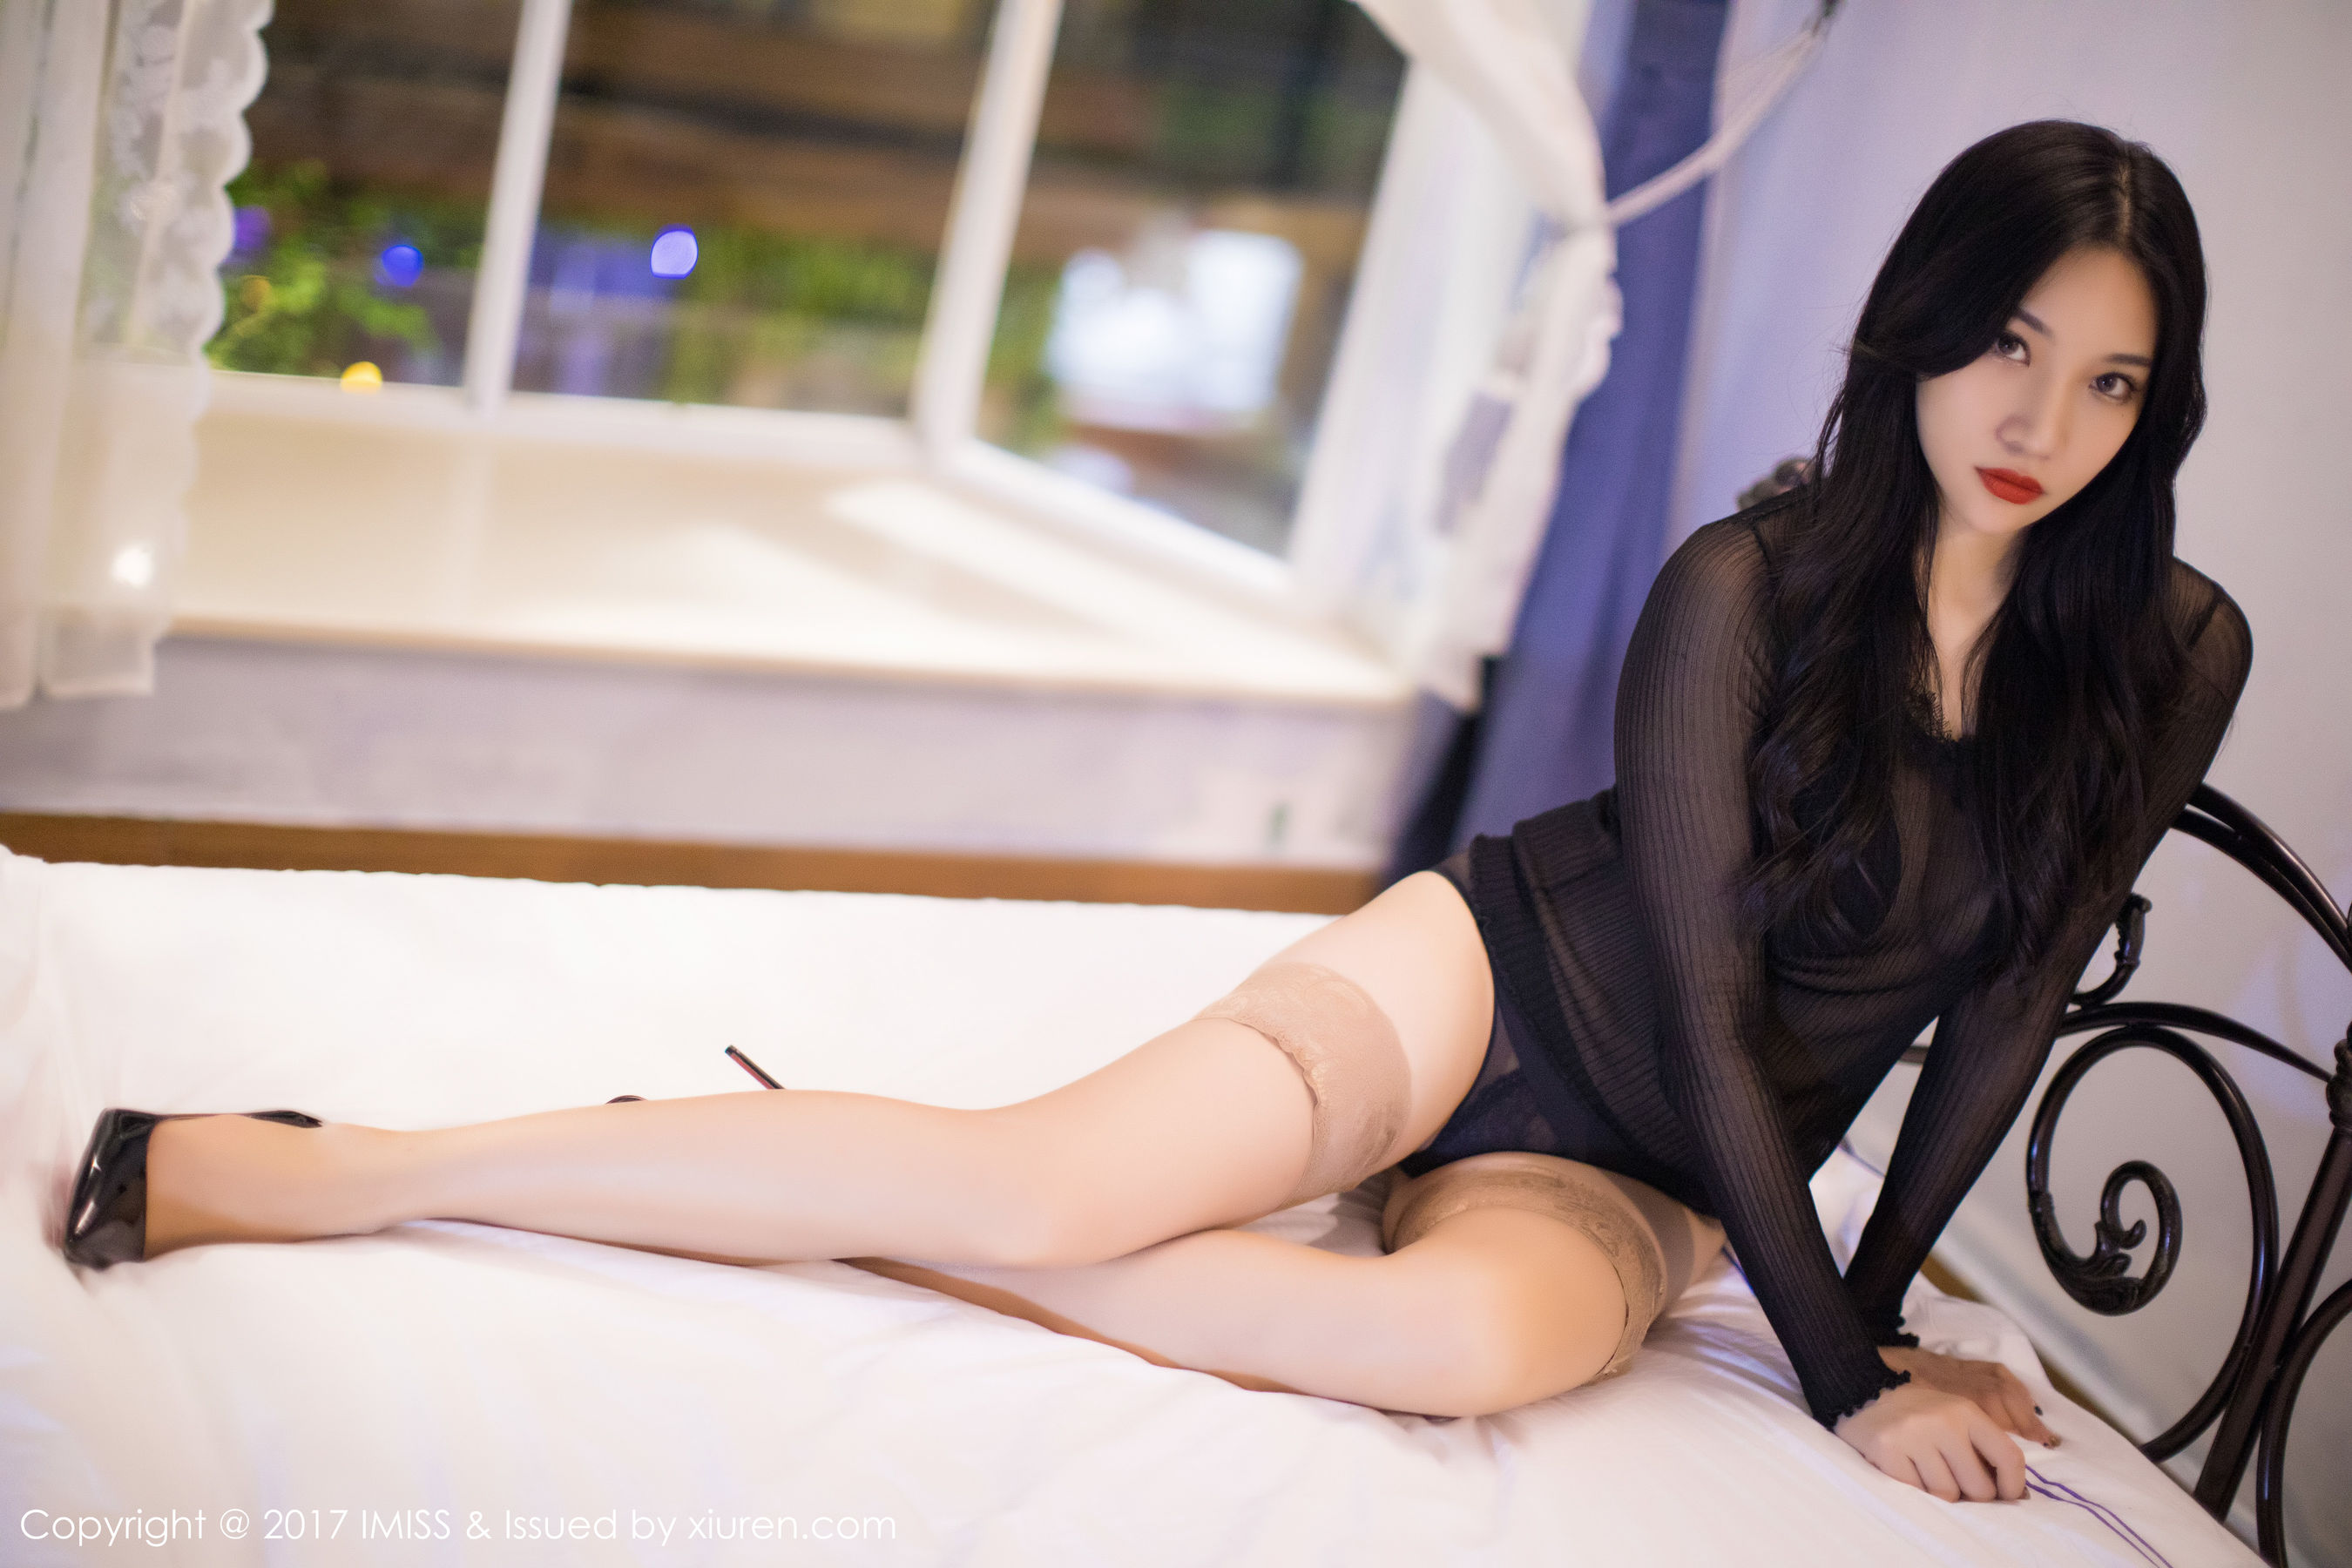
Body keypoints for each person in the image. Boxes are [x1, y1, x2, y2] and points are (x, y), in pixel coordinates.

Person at [59, 118, 2250, 1509]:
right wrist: (1848, 1373)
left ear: (2155, 417)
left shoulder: (2169, 656)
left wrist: (1868, 1322)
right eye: (2008, 344)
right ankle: (337, 1169)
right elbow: (1688, 981)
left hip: (1660, 1180)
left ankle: (822, 1187)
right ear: (1919, 329)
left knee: (1437, 1347)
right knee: (1043, 1183)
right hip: (1486, 985)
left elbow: (2008, 1007)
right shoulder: (1745, 584)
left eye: (2109, 382)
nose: (2039, 418)